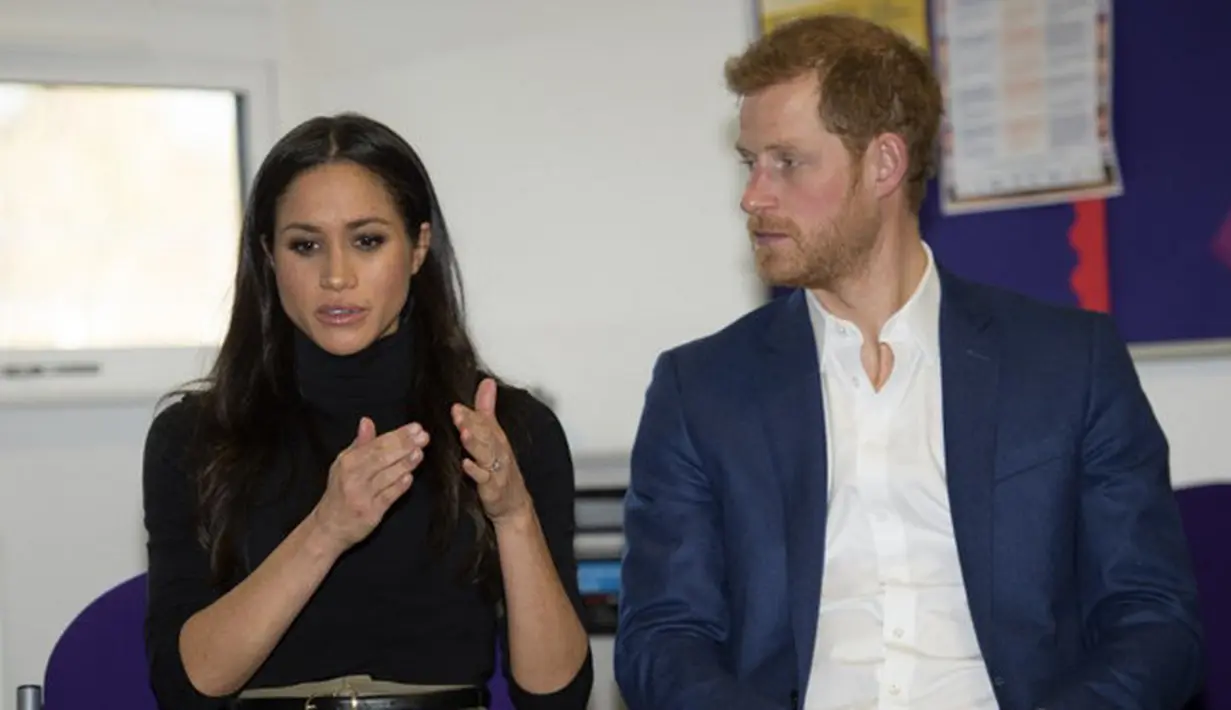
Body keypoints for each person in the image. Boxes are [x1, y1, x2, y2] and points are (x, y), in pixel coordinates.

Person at [614, 14, 1202, 710]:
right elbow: (661, 636)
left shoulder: (1068, 365)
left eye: (788, 162)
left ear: (883, 164)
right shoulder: (700, 389)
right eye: (750, 164)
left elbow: (1153, 621)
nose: (752, 197)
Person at [142, 113, 593, 710]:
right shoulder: (195, 435)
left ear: (418, 248)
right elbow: (185, 689)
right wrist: (327, 529)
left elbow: (556, 699)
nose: (336, 275)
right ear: (269, 258)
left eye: (367, 241)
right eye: (305, 245)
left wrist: (513, 516)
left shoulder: (508, 428)